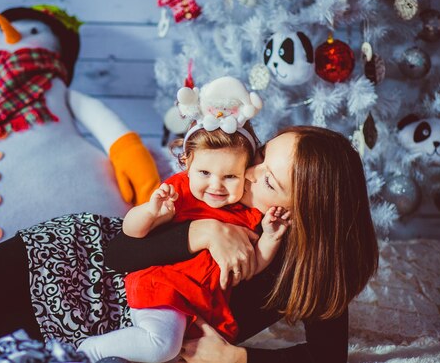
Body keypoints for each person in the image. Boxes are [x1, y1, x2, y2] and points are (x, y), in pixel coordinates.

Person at [0, 125, 379, 363]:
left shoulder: (314, 273)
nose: (247, 171)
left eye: (266, 177)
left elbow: (326, 357)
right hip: (84, 259)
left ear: (311, 212)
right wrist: (200, 229)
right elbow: (122, 250)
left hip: (98, 325)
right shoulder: (221, 199)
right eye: (262, 155)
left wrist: (237, 362)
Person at [77, 116, 290, 362]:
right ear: (186, 163)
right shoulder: (181, 193)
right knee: (161, 346)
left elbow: (250, 265)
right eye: (204, 172)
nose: (216, 185)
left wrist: (271, 237)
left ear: (245, 173)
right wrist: (150, 212)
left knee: (179, 354)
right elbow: (131, 233)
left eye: (230, 176)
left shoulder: (246, 214)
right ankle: (87, 352)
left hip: (200, 302)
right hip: (166, 288)